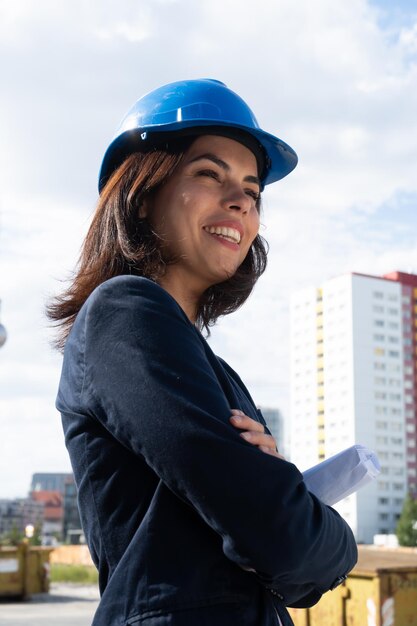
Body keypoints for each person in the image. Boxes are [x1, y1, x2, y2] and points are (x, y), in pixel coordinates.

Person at [49, 79, 357, 626]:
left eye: (253, 190)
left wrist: (280, 494)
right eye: (210, 174)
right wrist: (333, 536)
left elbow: (288, 561)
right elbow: (281, 538)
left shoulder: (213, 368)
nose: (239, 200)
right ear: (142, 196)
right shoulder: (124, 312)